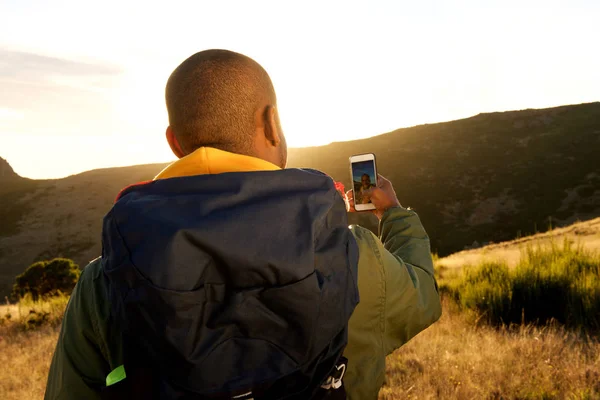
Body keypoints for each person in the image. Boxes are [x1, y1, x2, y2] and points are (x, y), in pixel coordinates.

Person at [44, 49, 441, 400]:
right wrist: (392, 213)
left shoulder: (104, 282)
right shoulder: (352, 255)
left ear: (174, 142)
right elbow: (422, 295)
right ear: (272, 123)